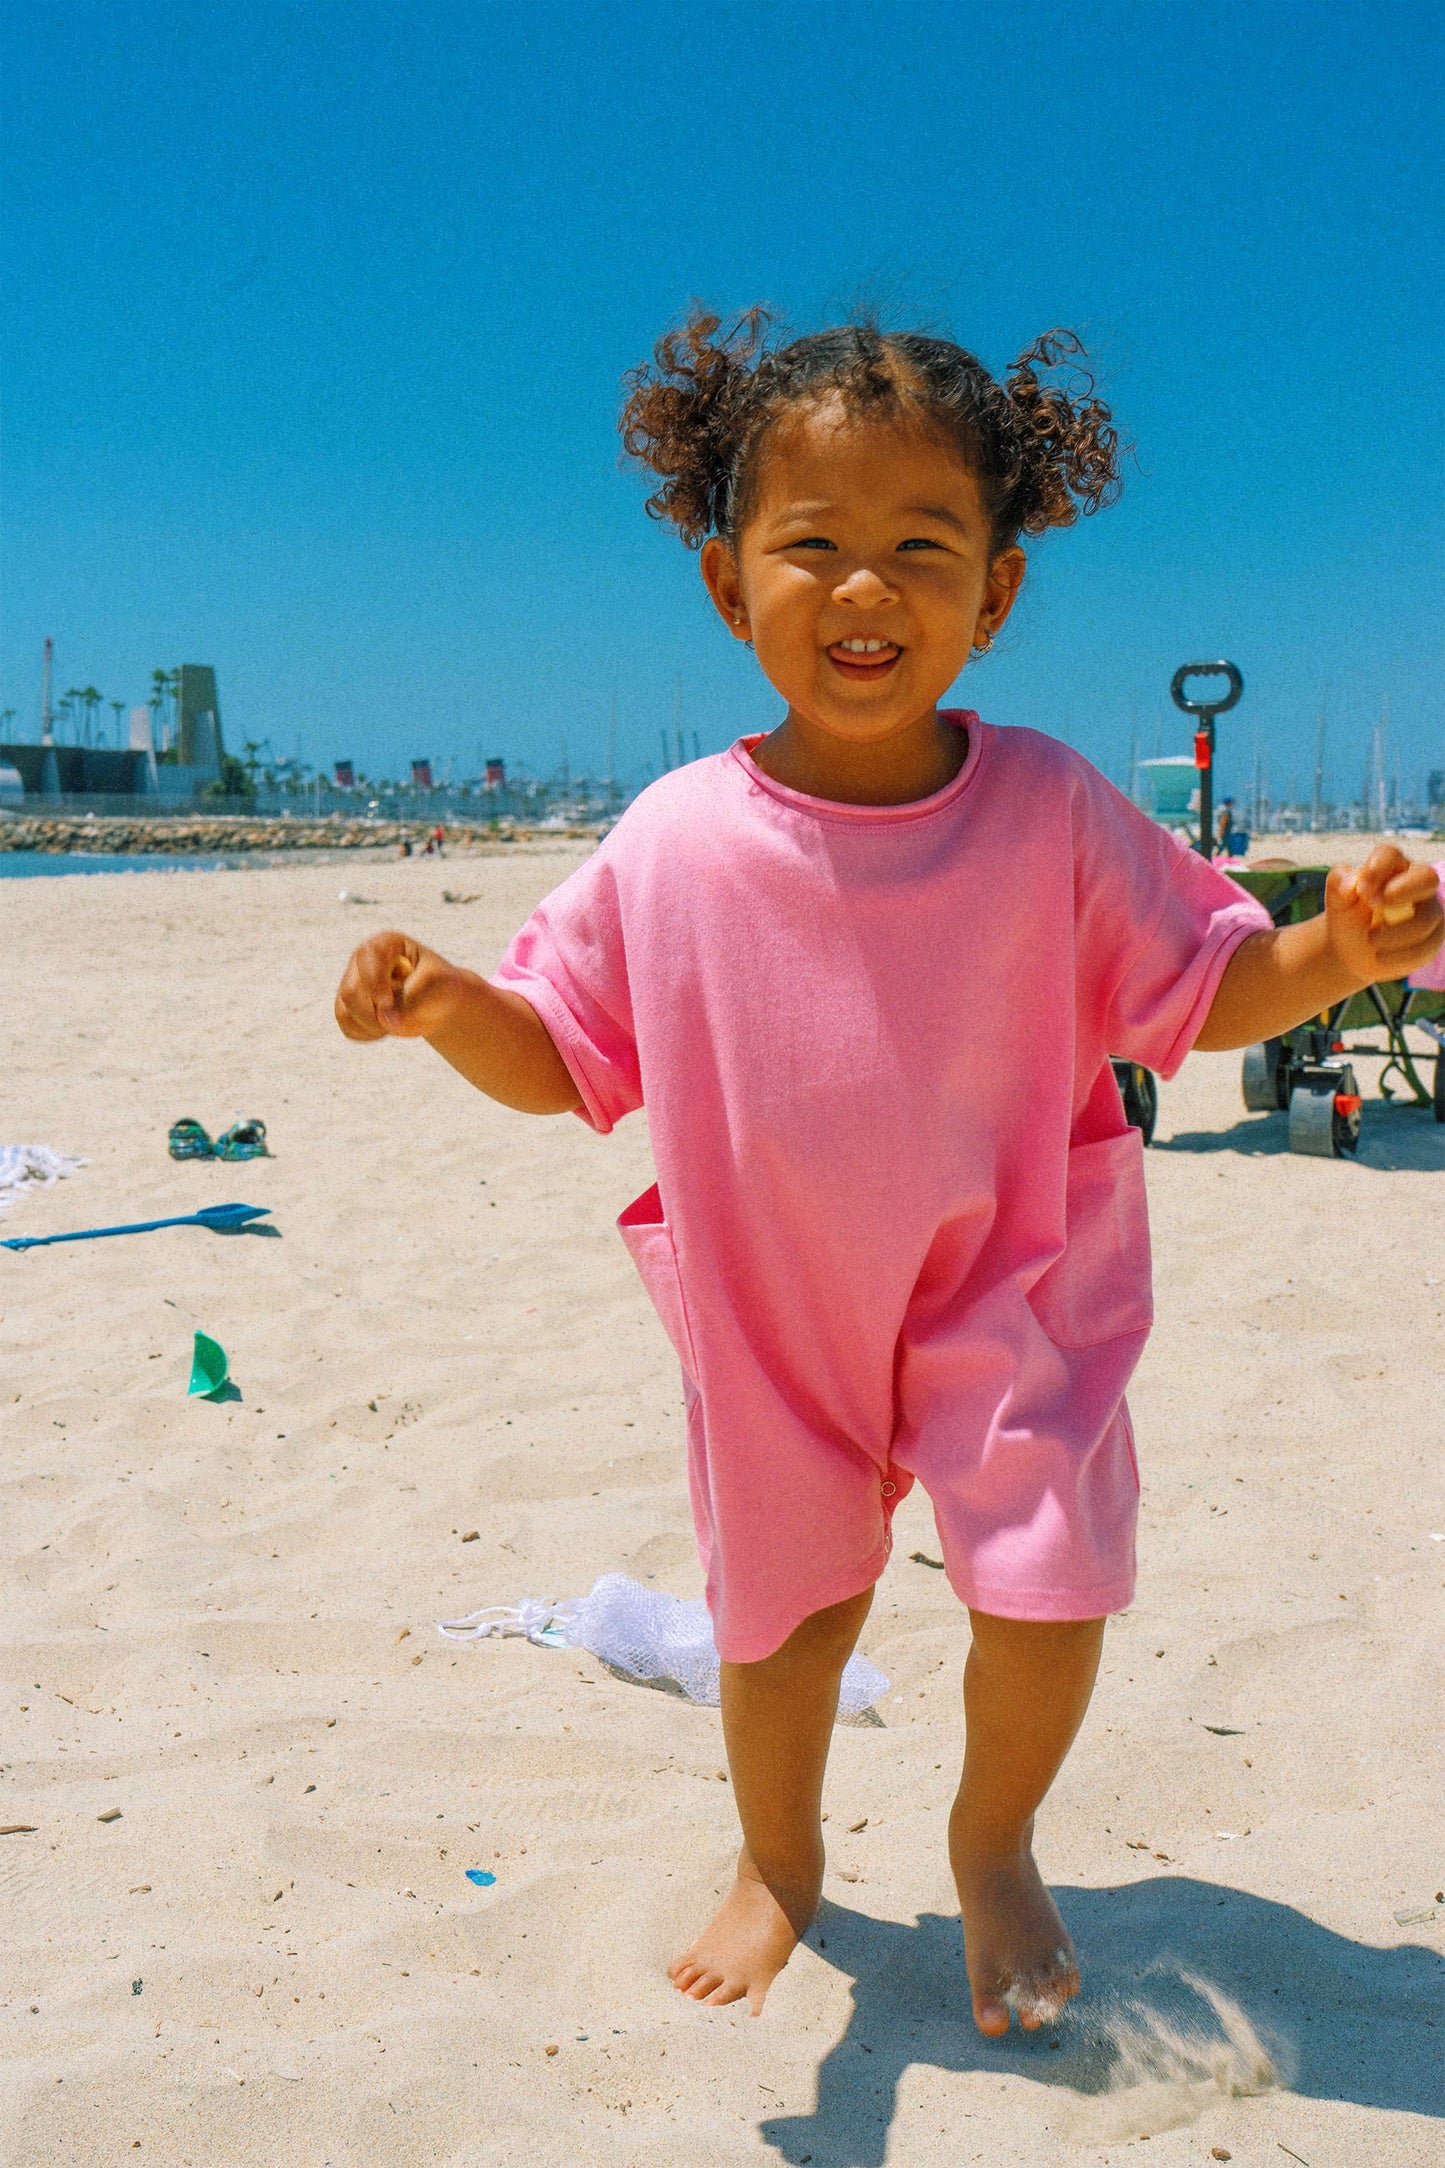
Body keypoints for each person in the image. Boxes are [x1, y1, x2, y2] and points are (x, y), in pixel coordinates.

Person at [335, 311, 1443, 2034]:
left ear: (993, 594)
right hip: (772, 1301)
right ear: (728, 585)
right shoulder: (676, 837)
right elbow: (565, 1058)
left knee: (1048, 1588)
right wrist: (449, 1006)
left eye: (919, 550)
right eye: (814, 548)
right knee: (780, 1625)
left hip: (1016, 1269)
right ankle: (778, 1859)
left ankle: (991, 1840)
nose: (864, 590)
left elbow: (1201, 994)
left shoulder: (1054, 810)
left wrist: (1333, 952)